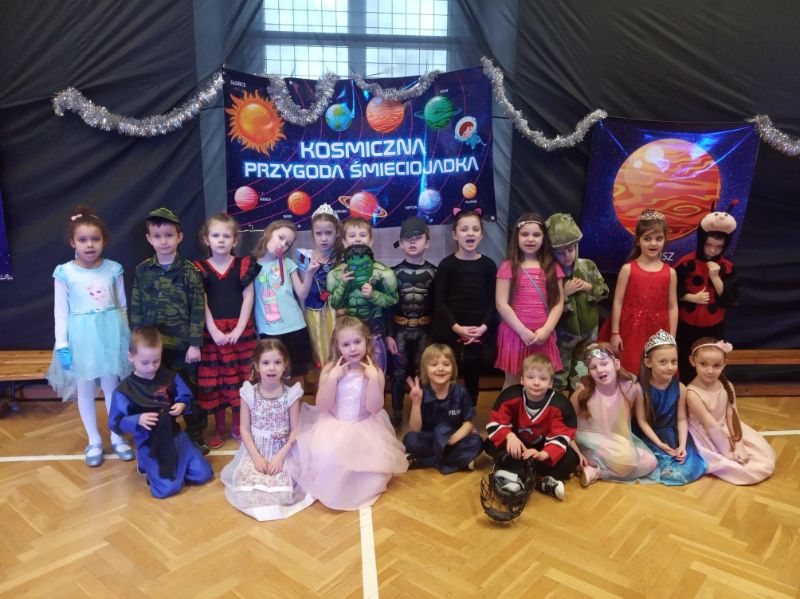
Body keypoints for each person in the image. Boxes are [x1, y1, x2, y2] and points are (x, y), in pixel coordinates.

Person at [286, 316, 408, 510]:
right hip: (334, 426)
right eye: (346, 344)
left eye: (357, 342)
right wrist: (332, 380)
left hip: (365, 427)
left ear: (366, 342)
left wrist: (373, 380)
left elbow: (374, 408)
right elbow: (323, 405)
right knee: (327, 463)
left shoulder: (374, 371)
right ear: (337, 347)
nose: (353, 348)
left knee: (372, 477)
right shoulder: (330, 369)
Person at [46, 205, 133, 466]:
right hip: (81, 338)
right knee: (84, 388)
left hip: (110, 334)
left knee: (111, 387)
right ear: (72, 242)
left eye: (95, 239)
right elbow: (61, 313)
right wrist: (62, 344)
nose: (90, 245)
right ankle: (94, 440)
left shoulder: (113, 269)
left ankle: (116, 435)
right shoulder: (65, 272)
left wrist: (125, 338)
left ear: (104, 240)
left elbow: (122, 306)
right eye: (83, 240)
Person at [130, 207, 207, 452]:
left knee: (190, 391)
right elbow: (136, 308)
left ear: (179, 237)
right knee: (158, 393)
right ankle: (166, 433)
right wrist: (138, 343)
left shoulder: (190, 271)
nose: (163, 241)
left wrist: (195, 344)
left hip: (183, 347)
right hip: (154, 349)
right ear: (149, 239)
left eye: (169, 235)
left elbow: (197, 308)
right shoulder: (143, 271)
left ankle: (195, 435)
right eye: (157, 236)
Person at [109, 327, 213, 499]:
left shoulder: (169, 377)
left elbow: (186, 396)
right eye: (145, 362)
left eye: (156, 361)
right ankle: (146, 462)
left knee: (203, 475)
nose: (151, 367)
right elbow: (116, 423)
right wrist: (137, 419)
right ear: (130, 356)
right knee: (167, 489)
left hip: (176, 437)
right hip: (151, 444)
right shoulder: (124, 390)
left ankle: (173, 469)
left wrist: (181, 404)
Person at [220, 339, 315, 520]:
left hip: (284, 450)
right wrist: (256, 457)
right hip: (256, 449)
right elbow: (244, 429)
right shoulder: (249, 393)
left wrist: (280, 457)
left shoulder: (291, 394)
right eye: (265, 363)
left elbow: (295, 430)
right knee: (246, 486)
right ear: (256, 366)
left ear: (285, 365)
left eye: (277, 362)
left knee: (285, 488)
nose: (271, 368)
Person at [193, 213, 258, 448]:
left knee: (242, 380)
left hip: (240, 334)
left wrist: (240, 328)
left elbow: (248, 297)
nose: (221, 240)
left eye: (226, 236)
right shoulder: (199, 269)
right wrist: (213, 330)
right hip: (214, 335)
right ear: (206, 239)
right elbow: (202, 301)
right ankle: (219, 427)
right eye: (216, 235)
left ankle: (239, 426)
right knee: (218, 382)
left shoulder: (243, 265)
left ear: (235, 240)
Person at [484, 354, 579, 500]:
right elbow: (495, 422)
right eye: (530, 377)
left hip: (540, 450)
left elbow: (561, 435)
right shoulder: (511, 395)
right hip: (516, 448)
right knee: (490, 444)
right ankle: (541, 481)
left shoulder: (560, 404)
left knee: (570, 459)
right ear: (522, 379)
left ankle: (516, 475)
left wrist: (543, 454)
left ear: (550, 383)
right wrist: (510, 436)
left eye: (543, 379)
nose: (536, 382)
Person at [686, 338, 775, 484]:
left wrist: (739, 445)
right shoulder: (692, 393)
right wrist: (728, 453)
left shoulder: (727, 385)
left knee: (765, 455)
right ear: (692, 361)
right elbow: (711, 426)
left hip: (728, 428)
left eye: (716, 365)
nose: (710, 370)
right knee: (749, 470)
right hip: (707, 435)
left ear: (724, 364)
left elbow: (732, 416)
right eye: (703, 364)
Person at [431, 208, 497, 405]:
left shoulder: (488, 265)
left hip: (478, 329)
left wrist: (482, 328)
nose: (470, 233)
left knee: (472, 372)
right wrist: (457, 328)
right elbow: (440, 302)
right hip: (452, 327)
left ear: (482, 234)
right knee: (447, 371)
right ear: (455, 234)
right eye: (464, 229)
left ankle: (470, 410)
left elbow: (493, 301)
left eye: (475, 229)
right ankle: (445, 409)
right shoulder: (446, 265)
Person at [569, 343, 657, 486]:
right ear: (589, 371)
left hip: (615, 440)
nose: (599, 370)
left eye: (604, 364)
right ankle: (589, 463)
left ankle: (596, 471)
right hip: (588, 442)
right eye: (593, 367)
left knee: (651, 462)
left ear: (616, 364)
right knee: (625, 460)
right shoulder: (583, 393)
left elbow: (638, 419)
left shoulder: (630, 389)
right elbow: (567, 423)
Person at [604, 209, 678, 376]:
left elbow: (672, 306)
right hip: (630, 330)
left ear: (665, 240)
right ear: (638, 241)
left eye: (658, 238)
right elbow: (618, 302)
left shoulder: (670, 273)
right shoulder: (628, 269)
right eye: (647, 238)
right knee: (629, 370)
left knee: (656, 372)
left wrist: (671, 338)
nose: (653, 243)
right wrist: (615, 333)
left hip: (659, 331)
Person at [495, 212, 564, 390]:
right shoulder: (508, 266)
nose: (530, 239)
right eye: (525, 234)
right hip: (515, 334)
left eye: (536, 235)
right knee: (512, 381)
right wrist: (522, 331)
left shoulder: (553, 267)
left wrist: (546, 330)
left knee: (542, 381)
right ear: (516, 237)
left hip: (543, 335)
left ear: (544, 238)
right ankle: (507, 410)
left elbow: (558, 303)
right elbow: (501, 303)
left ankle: (540, 410)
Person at [633, 330, 706, 485]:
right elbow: (642, 421)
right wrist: (660, 444)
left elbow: (681, 419)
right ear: (648, 362)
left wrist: (682, 445)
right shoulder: (640, 389)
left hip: (673, 435)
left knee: (687, 466)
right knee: (650, 463)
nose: (670, 367)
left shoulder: (681, 388)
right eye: (663, 362)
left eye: (674, 361)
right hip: (650, 436)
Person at [545, 213, 608, 392]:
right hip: (563, 337)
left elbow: (604, 291)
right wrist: (564, 293)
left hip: (589, 334)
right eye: (560, 252)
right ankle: (556, 405)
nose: (567, 256)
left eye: (571, 250)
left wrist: (590, 287)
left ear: (577, 247)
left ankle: (578, 403)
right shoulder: (549, 274)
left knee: (581, 375)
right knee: (558, 374)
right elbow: (545, 306)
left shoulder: (588, 266)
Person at [327, 217, 398, 372]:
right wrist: (343, 285)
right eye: (352, 235)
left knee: (376, 369)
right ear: (344, 242)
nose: (358, 239)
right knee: (346, 371)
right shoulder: (335, 274)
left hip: (374, 327)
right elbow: (334, 303)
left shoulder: (383, 272)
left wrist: (374, 295)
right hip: (347, 328)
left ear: (371, 241)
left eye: (363, 235)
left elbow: (393, 300)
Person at [675, 212, 738, 383]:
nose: (712, 250)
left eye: (718, 247)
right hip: (685, 324)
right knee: (684, 360)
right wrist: (690, 298)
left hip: (713, 326)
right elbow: (671, 290)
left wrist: (716, 278)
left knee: (710, 363)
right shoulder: (686, 262)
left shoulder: (727, 267)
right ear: (702, 241)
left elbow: (729, 299)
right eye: (708, 245)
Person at [386, 216, 437, 426]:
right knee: (398, 373)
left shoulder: (435, 273)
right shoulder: (392, 273)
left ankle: (423, 409)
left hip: (426, 331)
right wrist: (388, 334)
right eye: (407, 238)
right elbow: (387, 307)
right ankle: (397, 411)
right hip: (400, 330)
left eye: (418, 238)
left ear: (428, 242)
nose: (413, 242)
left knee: (423, 371)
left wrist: (436, 335)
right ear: (401, 243)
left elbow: (438, 305)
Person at [403, 344, 483, 474]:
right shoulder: (422, 393)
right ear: (425, 370)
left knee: (477, 441)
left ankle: (423, 462)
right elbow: (415, 430)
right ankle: (458, 460)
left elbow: (468, 423)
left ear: (453, 368)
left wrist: (453, 439)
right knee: (410, 440)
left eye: (446, 364)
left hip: (453, 438)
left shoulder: (460, 392)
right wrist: (416, 403)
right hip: (430, 438)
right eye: (434, 365)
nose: (440, 369)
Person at [252, 219, 313, 383]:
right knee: (272, 373)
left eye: (288, 244)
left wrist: (309, 273)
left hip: (295, 326)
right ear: (268, 233)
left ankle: (297, 401)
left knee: (297, 373)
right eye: (280, 237)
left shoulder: (288, 264)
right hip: (269, 330)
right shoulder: (250, 267)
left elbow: (302, 293)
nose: (282, 244)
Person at [295, 203, 343, 369]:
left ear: (337, 233)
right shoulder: (305, 257)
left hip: (338, 313)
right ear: (312, 234)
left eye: (328, 233)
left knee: (339, 349)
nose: (323, 238)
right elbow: (302, 293)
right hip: (314, 314)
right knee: (319, 353)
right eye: (319, 233)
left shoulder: (342, 257)